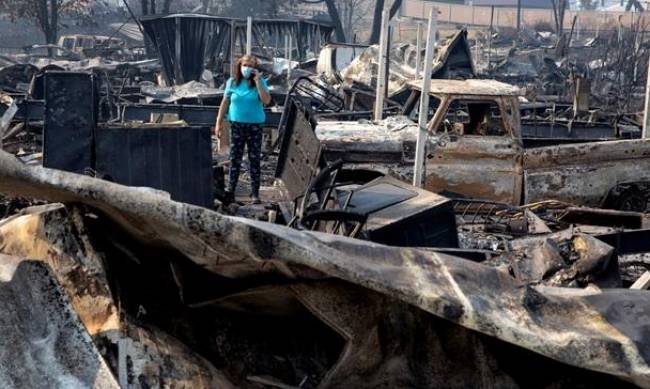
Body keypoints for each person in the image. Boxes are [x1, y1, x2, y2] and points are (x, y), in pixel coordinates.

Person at [215, 55, 271, 204]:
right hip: (237, 125)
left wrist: (258, 81)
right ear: (240, 66)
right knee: (235, 159)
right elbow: (225, 102)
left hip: (255, 126)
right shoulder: (232, 82)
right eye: (245, 65)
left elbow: (266, 100)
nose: (248, 68)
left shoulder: (261, 82)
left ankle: (255, 193)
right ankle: (231, 191)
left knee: (254, 160)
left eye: (251, 65)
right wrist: (218, 122)